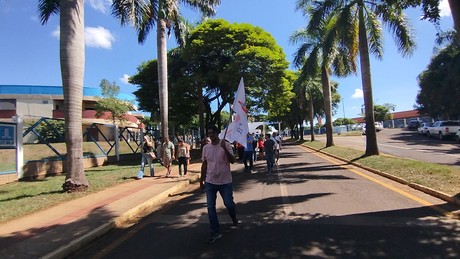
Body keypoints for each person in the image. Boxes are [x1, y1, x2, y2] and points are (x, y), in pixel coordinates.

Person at [200, 125, 238, 244]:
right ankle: (216, 232)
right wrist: (202, 179)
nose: (211, 135)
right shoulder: (206, 148)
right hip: (210, 181)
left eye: (213, 133)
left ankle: (233, 216)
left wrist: (225, 149)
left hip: (225, 181)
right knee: (210, 207)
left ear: (218, 133)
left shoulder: (225, 145)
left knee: (229, 204)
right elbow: (205, 164)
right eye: (209, 133)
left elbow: (232, 161)